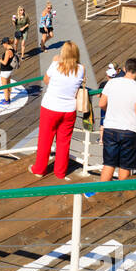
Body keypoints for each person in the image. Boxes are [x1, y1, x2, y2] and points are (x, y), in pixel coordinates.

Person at [29, 41, 85, 178]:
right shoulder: (81, 69)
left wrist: (56, 60)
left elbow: (46, 80)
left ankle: (39, 169)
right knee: (64, 142)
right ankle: (60, 172)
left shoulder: (55, 65)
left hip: (51, 107)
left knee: (45, 140)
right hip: (69, 110)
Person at [98, 58, 136, 182]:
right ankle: (119, 193)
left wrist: (110, 111)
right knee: (125, 166)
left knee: (109, 164)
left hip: (110, 128)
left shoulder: (111, 83)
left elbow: (101, 104)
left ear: (125, 69)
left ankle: (101, 191)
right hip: (129, 131)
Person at [0, 37, 18, 104]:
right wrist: (0, 58)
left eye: (3, 44)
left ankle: (6, 100)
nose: (3, 45)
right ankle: (8, 98)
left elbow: (5, 63)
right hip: (10, 70)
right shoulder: (12, 49)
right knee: (9, 85)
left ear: (5, 43)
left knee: (5, 86)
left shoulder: (7, 51)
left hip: (5, 71)